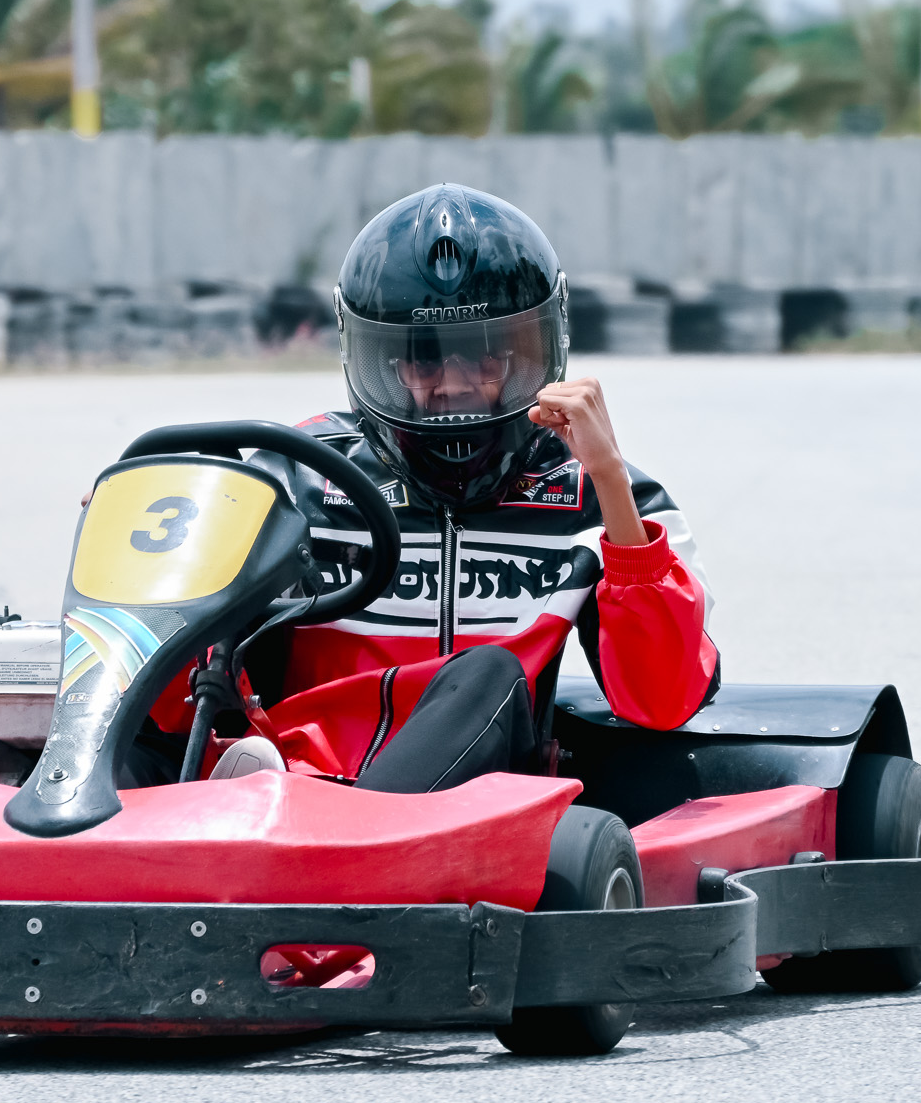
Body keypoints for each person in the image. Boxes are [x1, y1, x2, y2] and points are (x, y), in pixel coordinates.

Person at [132, 183, 720, 792]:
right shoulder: (297, 474)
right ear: (383, 362)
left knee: (490, 672)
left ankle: (371, 833)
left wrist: (609, 478)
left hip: (481, 803)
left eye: (485, 357)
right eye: (424, 359)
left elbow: (664, 698)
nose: (454, 385)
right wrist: (150, 555)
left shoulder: (599, 498)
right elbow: (172, 700)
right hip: (297, 786)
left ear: (530, 353)